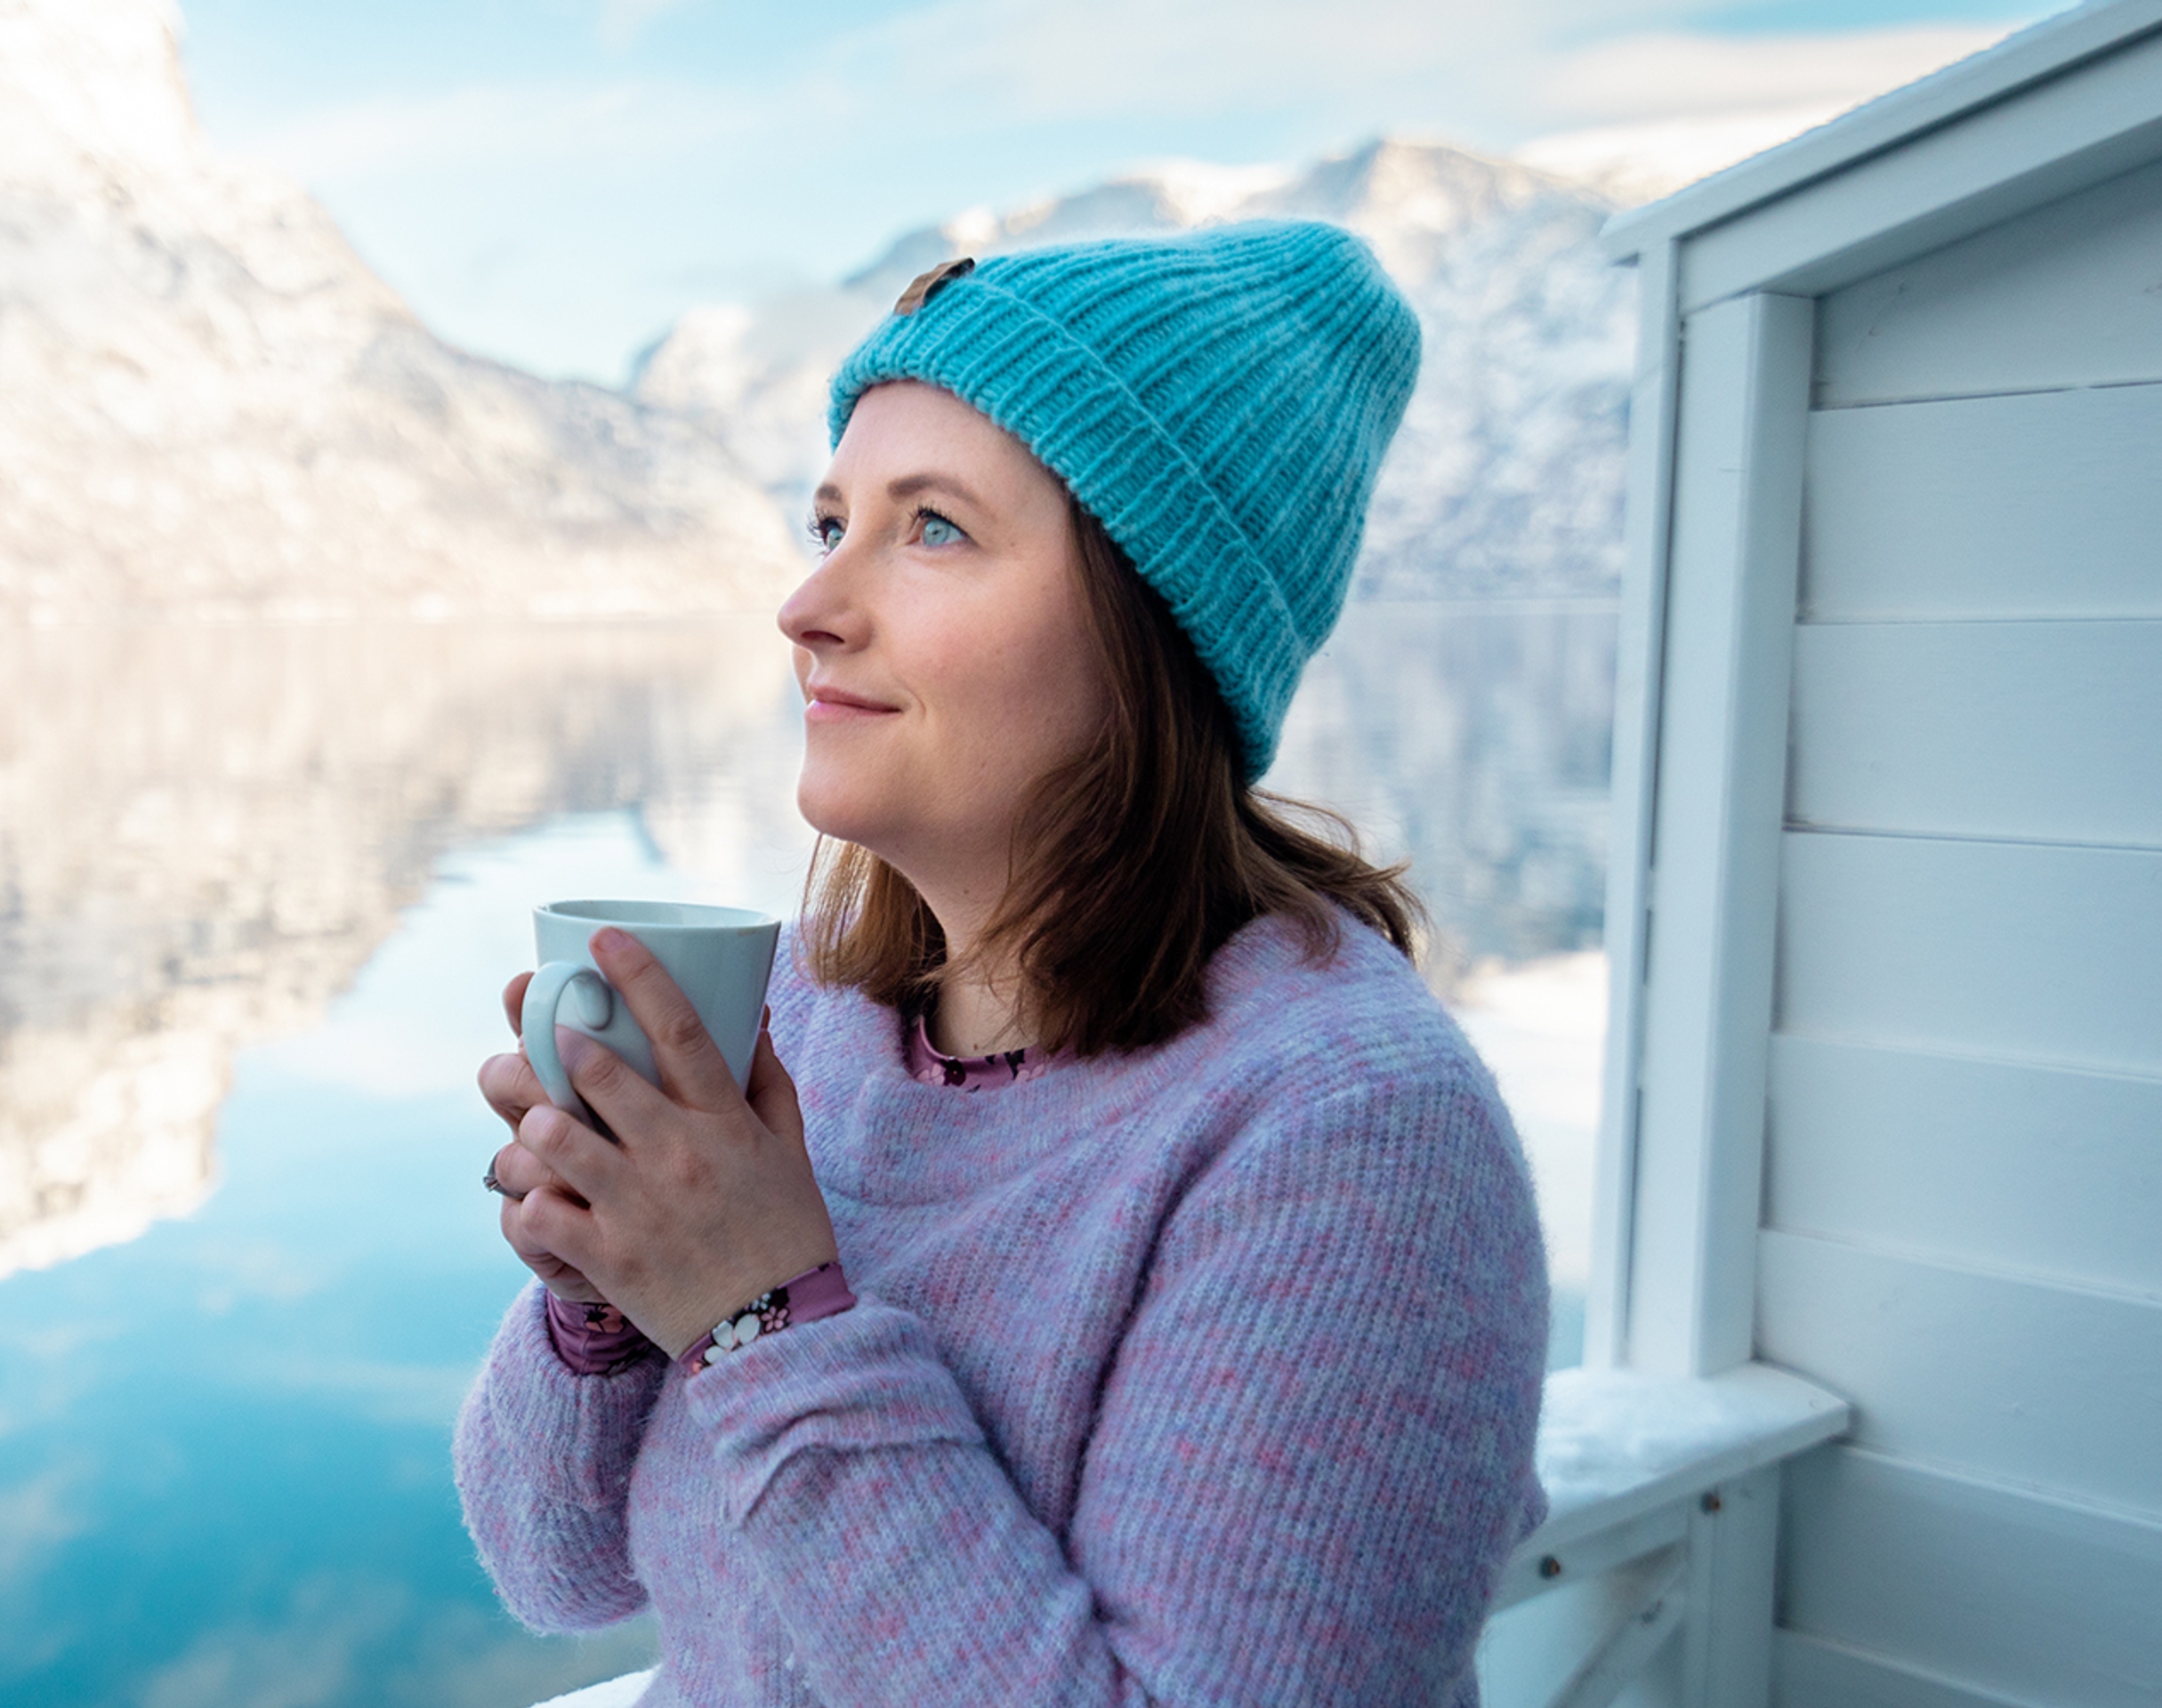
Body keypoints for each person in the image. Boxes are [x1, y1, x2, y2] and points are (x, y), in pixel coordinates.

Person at [455, 222, 1550, 1705]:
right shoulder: (811, 1025)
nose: (810, 607)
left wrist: (760, 1317)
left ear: (1155, 622)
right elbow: (556, 1571)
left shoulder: (1349, 1137)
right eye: (829, 522)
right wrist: (607, 1289)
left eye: (935, 529)